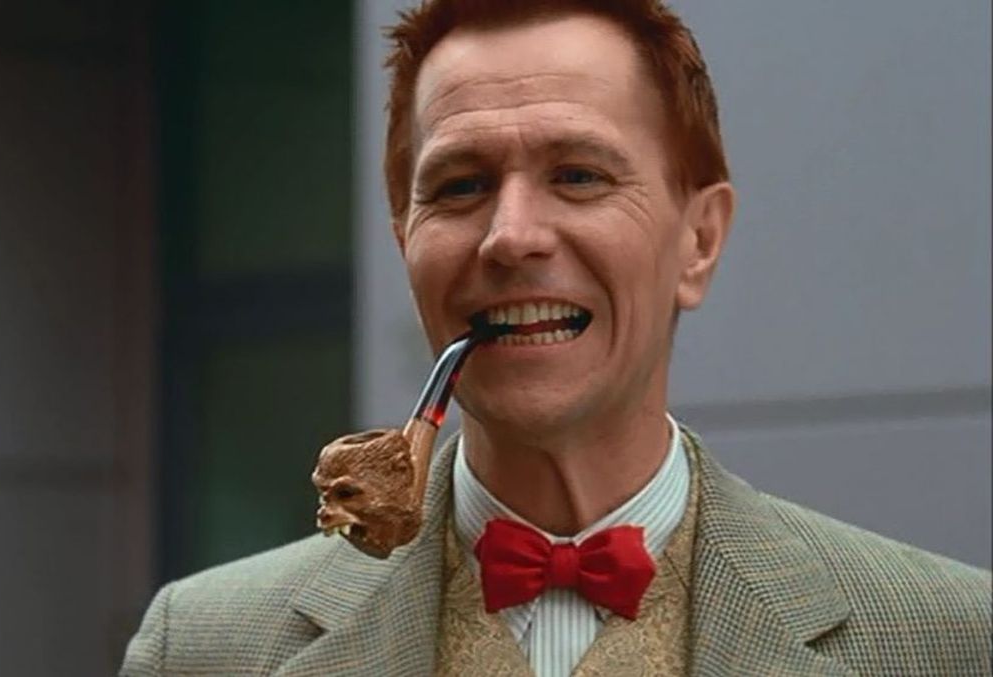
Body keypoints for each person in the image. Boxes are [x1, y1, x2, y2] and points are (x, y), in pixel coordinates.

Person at [120, 1, 992, 675]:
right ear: (403, 240)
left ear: (699, 240)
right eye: (460, 186)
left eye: (578, 175)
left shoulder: (950, 641)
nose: (510, 236)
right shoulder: (202, 648)